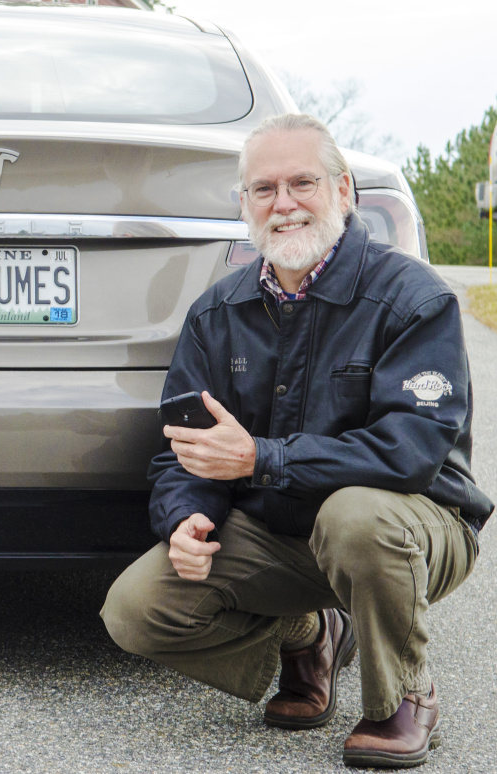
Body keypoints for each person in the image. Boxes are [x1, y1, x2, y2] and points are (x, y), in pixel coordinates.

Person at [100, 113, 492, 769]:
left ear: (343, 190)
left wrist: (262, 458)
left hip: (413, 530)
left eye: (301, 183)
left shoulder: (414, 299)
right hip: (281, 534)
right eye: (263, 189)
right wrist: (186, 516)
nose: (282, 204)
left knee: (354, 517)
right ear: (244, 204)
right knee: (135, 610)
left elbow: (411, 453)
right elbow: (183, 450)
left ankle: (404, 695)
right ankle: (307, 632)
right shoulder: (215, 314)